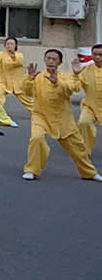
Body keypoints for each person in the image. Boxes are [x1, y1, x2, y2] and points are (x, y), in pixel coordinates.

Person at [22, 50, 102, 182]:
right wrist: (29, 78)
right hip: (40, 115)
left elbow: (73, 88)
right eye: (48, 58)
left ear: (60, 62)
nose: (51, 61)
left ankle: (89, 172)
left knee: (78, 148)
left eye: (54, 59)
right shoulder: (38, 76)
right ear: (44, 60)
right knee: (37, 138)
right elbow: (27, 92)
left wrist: (58, 82)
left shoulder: (65, 76)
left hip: (63, 118)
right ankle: (31, 170)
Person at [74, 45, 102, 155]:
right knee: (83, 122)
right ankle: (85, 151)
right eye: (95, 54)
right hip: (90, 105)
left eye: (100, 54)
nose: (97, 57)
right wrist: (76, 74)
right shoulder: (86, 69)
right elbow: (75, 87)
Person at [0, 36, 32, 112]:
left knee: (27, 100)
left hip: (18, 83)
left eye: (11, 44)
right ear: (5, 45)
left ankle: (36, 112)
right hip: (4, 82)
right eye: (7, 44)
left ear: (15, 45)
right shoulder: (1, 54)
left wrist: (13, 55)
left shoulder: (19, 55)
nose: (9, 45)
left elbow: (18, 62)